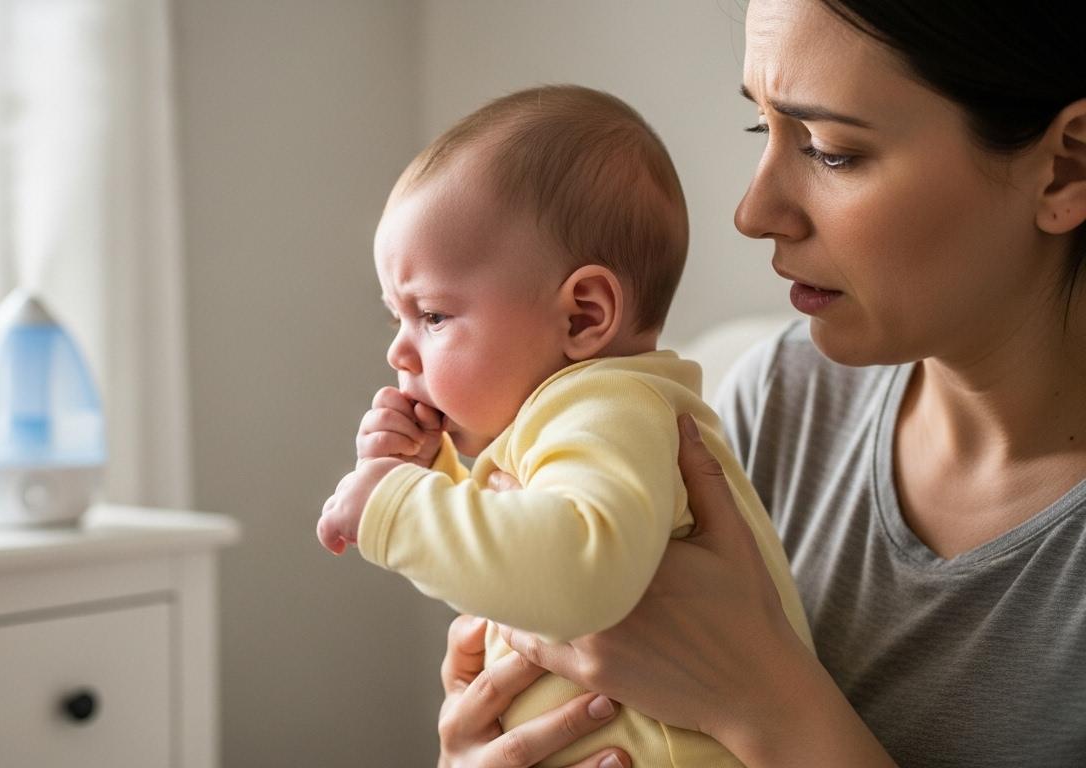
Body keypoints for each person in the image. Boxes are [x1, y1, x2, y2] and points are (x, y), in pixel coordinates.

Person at [434, 1, 1086, 766]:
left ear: (1065, 167)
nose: (754, 212)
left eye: (831, 150)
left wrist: (765, 700)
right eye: (762, 129)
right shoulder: (779, 398)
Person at [315, 84, 814, 768]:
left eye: (432, 316)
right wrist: (429, 470)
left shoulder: (611, 408)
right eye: (395, 318)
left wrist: (395, 509)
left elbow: (579, 567)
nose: (401, 353)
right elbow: (519, 529)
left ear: (582, 316)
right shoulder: (575, 420)